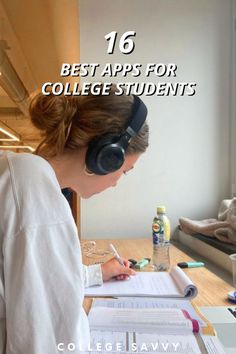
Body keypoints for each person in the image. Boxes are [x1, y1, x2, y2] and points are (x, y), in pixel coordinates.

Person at [0, 85, 149, 353]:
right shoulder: (31, 187)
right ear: (106, 157)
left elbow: (34, 281)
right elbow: (47, 338)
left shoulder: (21, 174)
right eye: (124, 171)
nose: (116, 183)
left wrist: (98, 273)